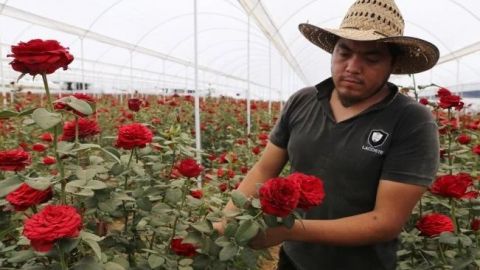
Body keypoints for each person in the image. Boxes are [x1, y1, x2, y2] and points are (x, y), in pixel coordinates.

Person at [216, 0, 440, 269]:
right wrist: (228, 219)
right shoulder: (302, 101)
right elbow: (264, 169)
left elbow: (385, 222)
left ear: (392, 64)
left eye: (371, 58)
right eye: (344, 52)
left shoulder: (411, 121)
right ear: (332, 52)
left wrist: (289, 230)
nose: (353, 67)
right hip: (294, 260)